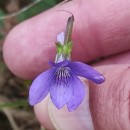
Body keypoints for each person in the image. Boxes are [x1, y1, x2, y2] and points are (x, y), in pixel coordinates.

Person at [3, 0, 130, 129]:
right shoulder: (58, 71)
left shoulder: (64, 69)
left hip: (63, 68)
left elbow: (96, 77)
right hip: (64, 68)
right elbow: (36, 94)